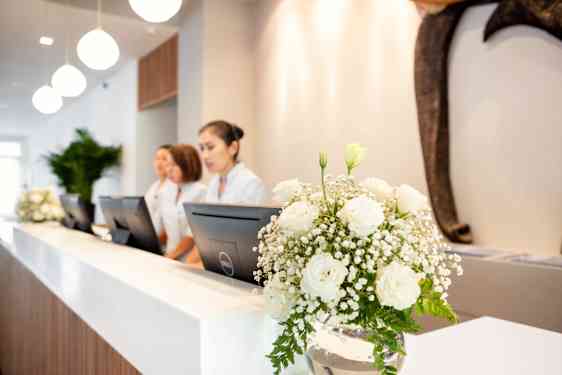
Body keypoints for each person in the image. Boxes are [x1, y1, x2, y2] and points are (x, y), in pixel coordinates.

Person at [198, 120, 266, 204]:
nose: (204, 156)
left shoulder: (251, 183)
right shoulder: (213, 183)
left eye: (211, 147)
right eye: (201, 148)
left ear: (233, 148)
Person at [160, 144, 206, 263]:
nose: (168, 170)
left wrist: (170, 257)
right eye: (168, 164)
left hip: (188, 260)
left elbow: (193, 234)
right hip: (169, 255)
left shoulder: (200, 191)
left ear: (188, 165)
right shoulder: (168, 190)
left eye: (174, 165)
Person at [144, 144, 175, 236]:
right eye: (157, 158)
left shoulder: (174, 187)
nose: (159, 163)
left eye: (164, 159)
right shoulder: (153, 187)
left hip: (162, 244)